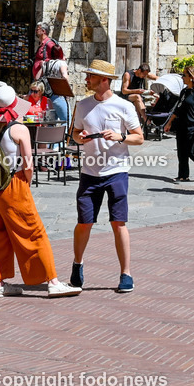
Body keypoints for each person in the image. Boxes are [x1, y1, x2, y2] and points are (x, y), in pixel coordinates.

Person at [0, 84, 81, 299]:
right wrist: (26, 183)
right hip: (14, 184)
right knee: (33, 233)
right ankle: (52, 282)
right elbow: (28, 164)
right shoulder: (19, 128)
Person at [69, 60, 144, 294]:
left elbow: (139, 137)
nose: (86, 80)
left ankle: (126, 273)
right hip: (89, 172)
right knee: (84, 223)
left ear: (104, 80)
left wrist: (120, 137)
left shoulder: (123, 106)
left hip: (116, 172)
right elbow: (74, 134)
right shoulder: (82, 105)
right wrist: (81, 138)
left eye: (90, 76)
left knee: (118, 223)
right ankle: (77, 265)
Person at [164, 65, 194, 182]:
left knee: (191, 151)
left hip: (192, 125)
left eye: (184, 75)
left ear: (191, 77)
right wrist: (169, 123)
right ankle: (183, 175)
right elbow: (178, 109)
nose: (182, 78)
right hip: (181, 125)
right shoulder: (184, 91)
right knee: (181, 152)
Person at [38, 56, 70, 125]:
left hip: (48, 96)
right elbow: (65, 77)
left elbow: (37, 77)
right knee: (66, 120)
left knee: (50, 122)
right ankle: (65, 135)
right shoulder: (61, 63)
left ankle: (50, 135)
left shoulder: (45, 64)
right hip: (59, 95)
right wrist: (67, 91)